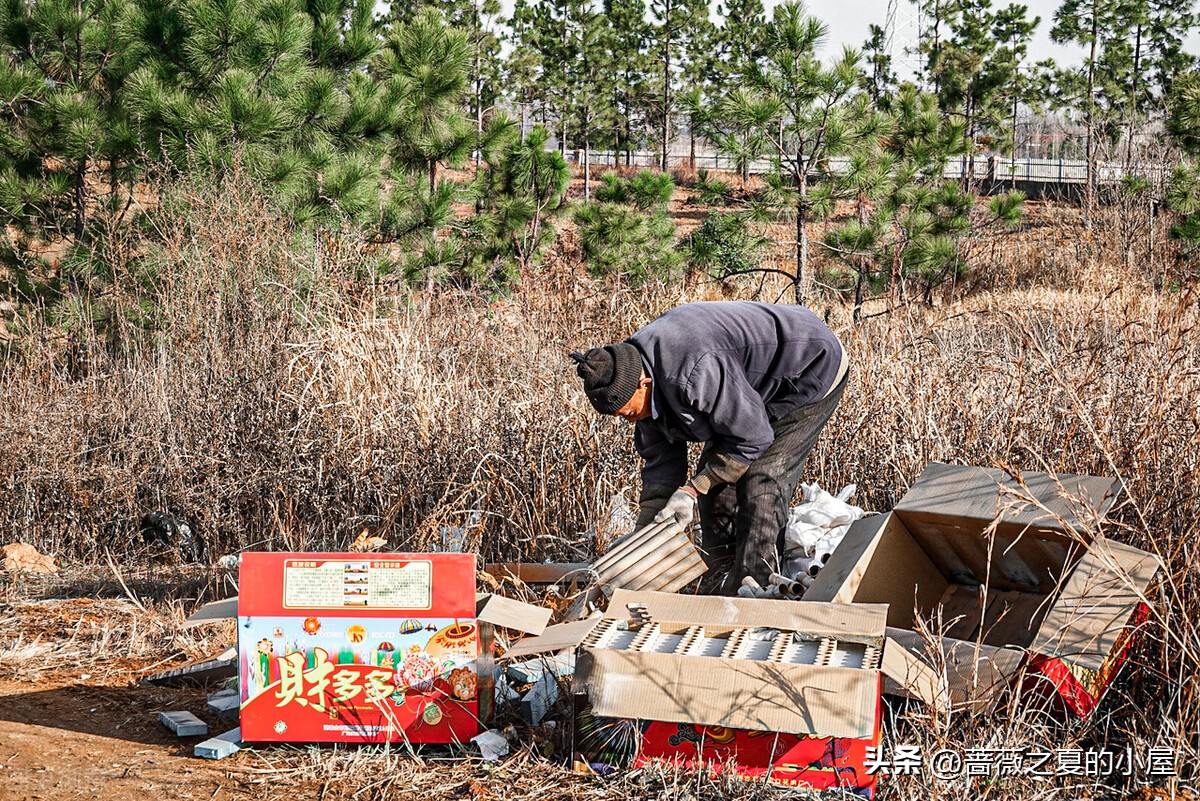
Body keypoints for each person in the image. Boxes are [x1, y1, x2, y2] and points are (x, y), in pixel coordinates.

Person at [571, 300, 848, 593]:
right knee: (716, 488)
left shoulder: (693, 372)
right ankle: (721, 583)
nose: (629, 420)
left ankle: (758, 594)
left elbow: (753, 438)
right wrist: (642, 538)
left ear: (644, 384)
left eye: (628, 413)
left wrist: (691, 489)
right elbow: (661, 467)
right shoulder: (635, 377)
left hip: (807, 367)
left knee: (761, 481)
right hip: (743, 389)